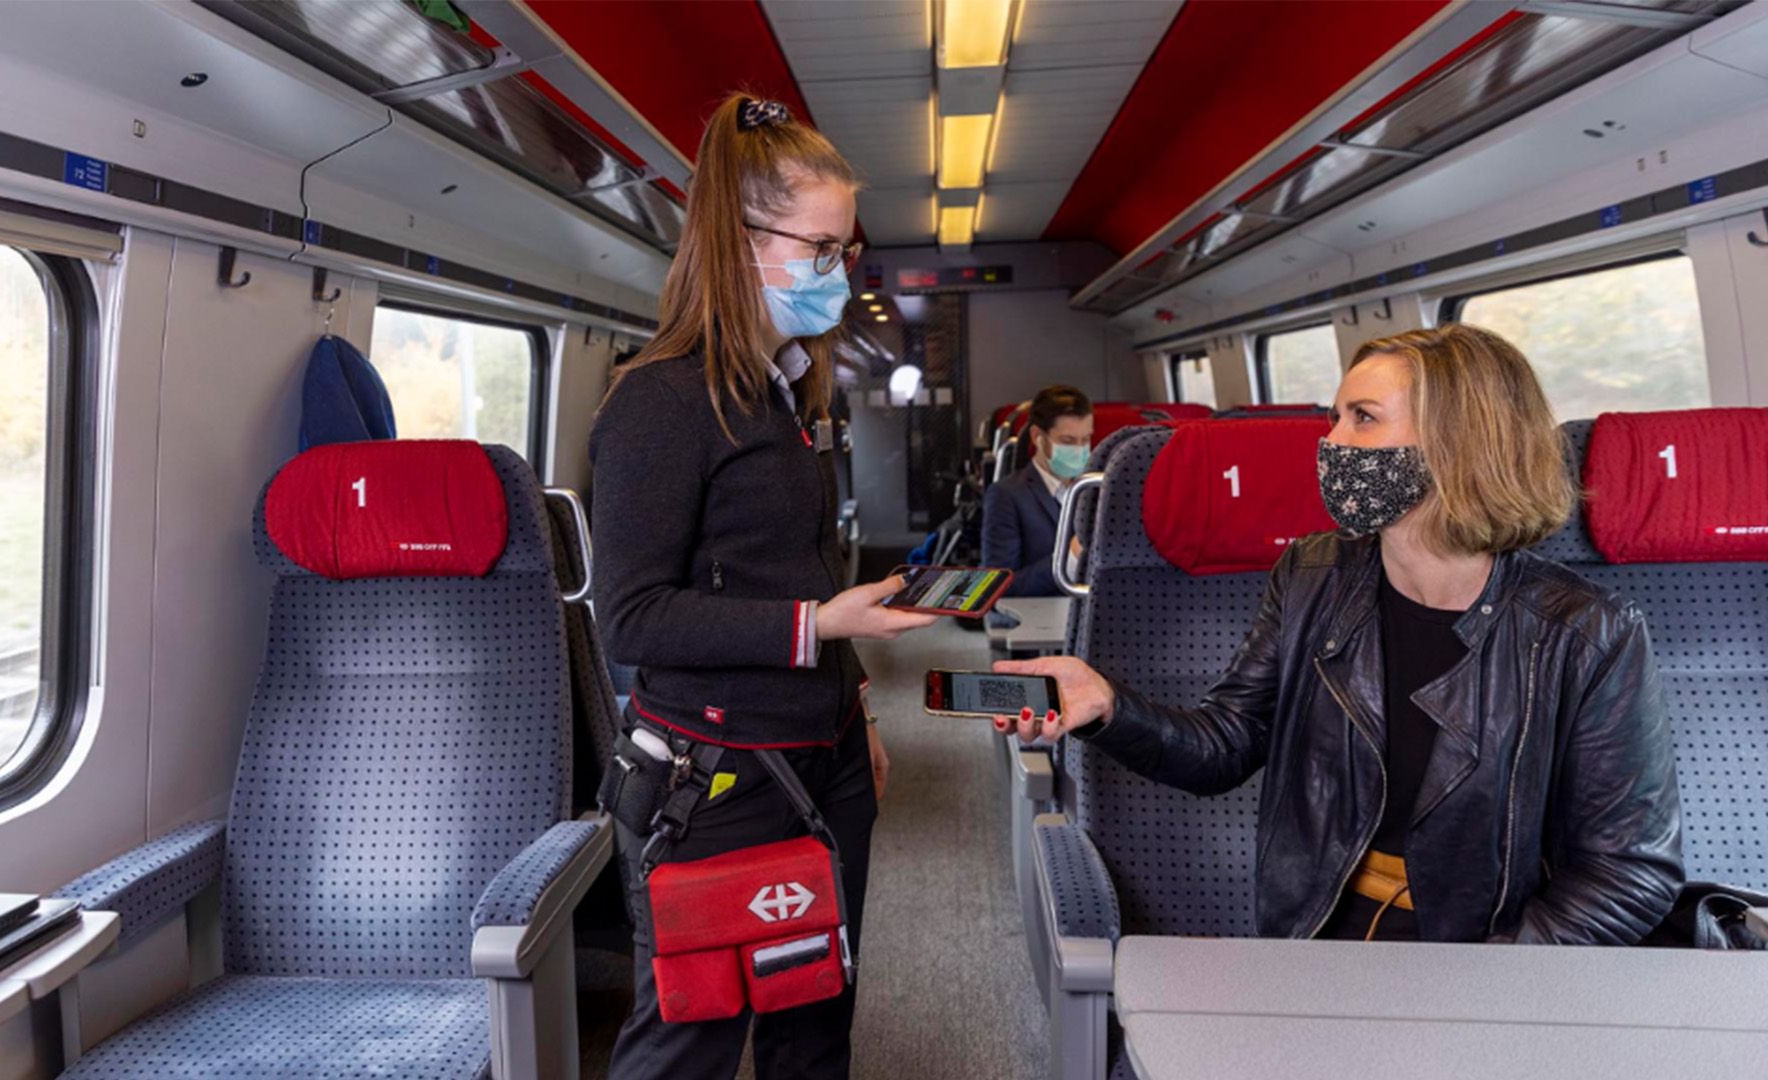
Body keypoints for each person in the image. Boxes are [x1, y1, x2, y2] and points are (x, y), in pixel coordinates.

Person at [992, 324, 1683, 944]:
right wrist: (1109, 703)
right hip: (1321, 933)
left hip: (1498, 959)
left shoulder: (1586, 633)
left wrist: (1491, 984)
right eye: (1335, 417)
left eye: (1363, 419)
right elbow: (1226, 744)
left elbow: (1627, 873)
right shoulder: (1314, 574)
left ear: (1455, 445)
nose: (1331, 442)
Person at [589, 94, 936, 1079]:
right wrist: (819, 623)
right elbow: (633, 616)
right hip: (719, 780)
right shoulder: (659, 402)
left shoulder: (787, 390)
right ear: (741, 243)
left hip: (816, 756)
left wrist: (855, 703)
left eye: (845, 253)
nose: (838, 274)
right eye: (820, 251)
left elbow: (801, 570)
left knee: (819, 1013)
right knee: (689, 1038)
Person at [980, 385, 1095, 596]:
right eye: (1068, 441)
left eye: (1086, 440)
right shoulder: (1007, 495)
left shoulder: (1097, 489)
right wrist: (1069, 558)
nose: (1079, 449)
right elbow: (999, 587)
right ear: (1037, 437)